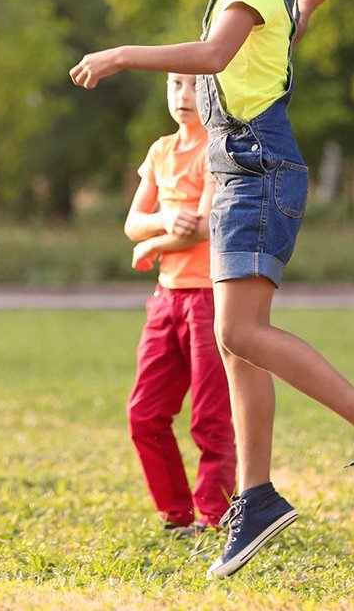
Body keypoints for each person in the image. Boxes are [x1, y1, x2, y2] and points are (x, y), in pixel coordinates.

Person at [70, 0, 354, 578]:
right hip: (246, 169)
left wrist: (122, 53)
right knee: (235, 342)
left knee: (239, 330)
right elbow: (262, 61)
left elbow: (213, 59)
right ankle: (256, 495)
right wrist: (305, 19)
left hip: (255, 171)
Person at [125, 72, 234, 536]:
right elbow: (133, 222)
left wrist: (149, 247)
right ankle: (176, 515)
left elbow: (205, 226)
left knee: (211, 418)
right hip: (165, 299)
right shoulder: (160, 151)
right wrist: (160, 221)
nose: (183, 95)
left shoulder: (217, 148)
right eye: (174, 84)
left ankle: (214, 518)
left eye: (194, 85)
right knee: (145, 414)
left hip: (210, 298)